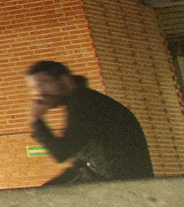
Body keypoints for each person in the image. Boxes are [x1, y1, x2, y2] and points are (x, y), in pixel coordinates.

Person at [26, 59, 155, 183]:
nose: (39, 92)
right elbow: (79, 160)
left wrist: (36, 120)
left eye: (45, 83)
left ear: (65, 79)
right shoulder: (84, 99)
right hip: (120, 179)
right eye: (35, 87)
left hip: (120, 183)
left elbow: (62, 153)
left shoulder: (83, 102)